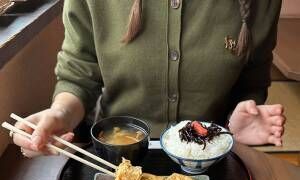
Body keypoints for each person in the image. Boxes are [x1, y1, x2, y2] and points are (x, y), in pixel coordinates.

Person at [13, 0, 285, 157]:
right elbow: (79, 73)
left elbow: (252, 80)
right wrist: (60, 114)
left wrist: (235, 123)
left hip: (211, 159)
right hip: (114, 156)